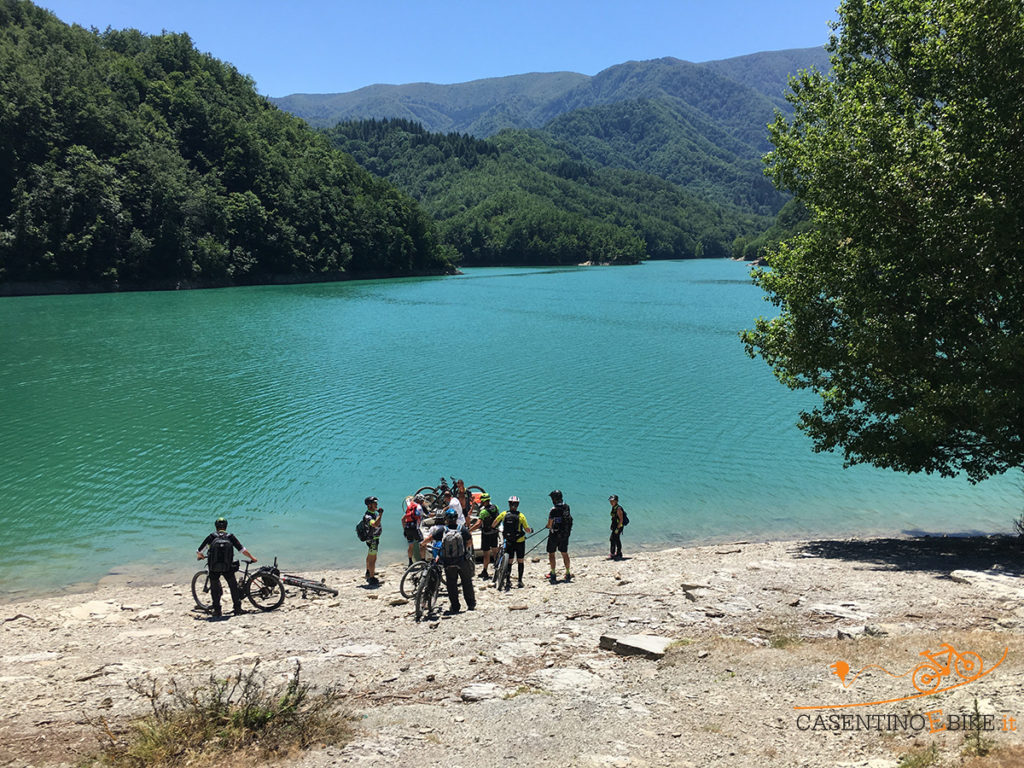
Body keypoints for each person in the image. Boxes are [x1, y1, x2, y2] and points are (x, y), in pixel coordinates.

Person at [196, 517, 257, 617]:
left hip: (213, 568)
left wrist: (201, 556)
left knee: (214, 588)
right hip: (228, 566)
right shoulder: (230, 537)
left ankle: (217, 610)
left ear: (216, 527)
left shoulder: (211, 537)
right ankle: (237, 609)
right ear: (226, 526)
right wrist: (252, 557)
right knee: (233, 586)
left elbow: (199, 551)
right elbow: (242, 550)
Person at [438, 508, 475, 613]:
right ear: (456, 519)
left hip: (448, 562)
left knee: (451, 584)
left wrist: (422, 544)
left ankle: (455, 607)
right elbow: (470, 542)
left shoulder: (443, 530)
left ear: (446, 519)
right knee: (467, 582)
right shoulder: (462, 529)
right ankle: (471, 604)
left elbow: (431, 538)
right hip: (461, 560)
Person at [494, 495, 532, 588]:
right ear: (517, 505)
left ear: (509, 504)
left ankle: (507, 581)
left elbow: (494, 523)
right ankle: (519, 581)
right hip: (519, 541)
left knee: (509, 561)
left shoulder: (503, 514)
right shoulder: (521, 516)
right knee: (520, 561)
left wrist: (496, 529)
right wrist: (531, 530)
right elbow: (527, 529)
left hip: (509, 540)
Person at [545, 489, 573, 583]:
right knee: (564, 553)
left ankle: (553, 573)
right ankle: (568, 573)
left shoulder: (553, 510)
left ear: (554, 499)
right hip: (565, 534)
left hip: (554, 535)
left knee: (551, 553)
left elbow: (549, 524)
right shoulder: (567, 507)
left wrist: (547, 526)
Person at [476, 492, 501, 579]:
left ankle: (485, 571)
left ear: (483, 501)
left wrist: (469, 530)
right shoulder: (496, 507)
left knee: (486, 554)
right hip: (494, 532)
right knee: (495, 551)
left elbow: (478, 523)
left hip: (486, 534)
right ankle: (498, 569)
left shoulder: (483, 512)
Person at [361, 496, 383, 586]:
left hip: (373, 539)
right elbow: (375, 524)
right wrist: (380, 515)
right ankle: (372, 578)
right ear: (369, 505)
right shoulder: (368, 516)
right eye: (374, 503)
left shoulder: (372, 513)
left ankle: (368, 572)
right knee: (372, 559)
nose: (376, 505)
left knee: (370, 556)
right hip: (373, 540)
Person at [402, 494, 428, 564]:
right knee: (423, 544)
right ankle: (423, 560)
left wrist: (404, 530)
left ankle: (410, 562)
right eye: (422, 501)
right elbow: (425, 515)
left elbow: (403, 519)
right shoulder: (419, 507)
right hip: (415, 529)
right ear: (420, 501)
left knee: (410, 545)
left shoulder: (410, 507)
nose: (423, 502)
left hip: (407, 528)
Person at [609, 494, 626, 560]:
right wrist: (612, 525)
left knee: (614, 539)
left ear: (616, 501)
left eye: (612, 501)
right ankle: (615, 553)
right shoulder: (614, 507)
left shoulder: (618, 508)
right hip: (615, 526)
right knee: (614, 539)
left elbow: (621, 519)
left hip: (618, 526)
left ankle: (617, 553)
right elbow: (614, 518)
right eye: (610, 501)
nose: (611, 502)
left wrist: (617, 528)